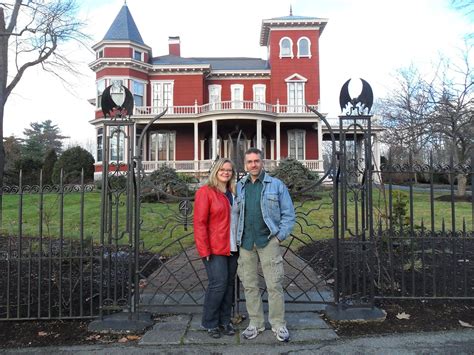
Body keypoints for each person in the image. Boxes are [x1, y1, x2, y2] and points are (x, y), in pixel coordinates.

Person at [236, 148, 295, 342]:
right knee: (250, 286)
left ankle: (278, 325)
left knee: (274, 284)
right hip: (245, 243)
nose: (253, 164)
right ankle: (256, 323)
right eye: (250, 161)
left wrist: (279, 237)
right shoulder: (239, 186)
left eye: (257, 161)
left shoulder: (276, 185)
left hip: (268, 240)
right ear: (245, 165)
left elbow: (288, 214)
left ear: (263, 162)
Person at [193, 158, 239, 339]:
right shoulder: (206, 192)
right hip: (215, 248)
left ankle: (224, 321)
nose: (226, 172)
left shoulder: (233, 192)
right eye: (222, 169)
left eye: (229, 170)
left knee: (228, 286)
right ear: (215, 171)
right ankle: (210, 322)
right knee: (218, 285)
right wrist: (204, 251)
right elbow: (199, 223)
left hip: (234, 246)